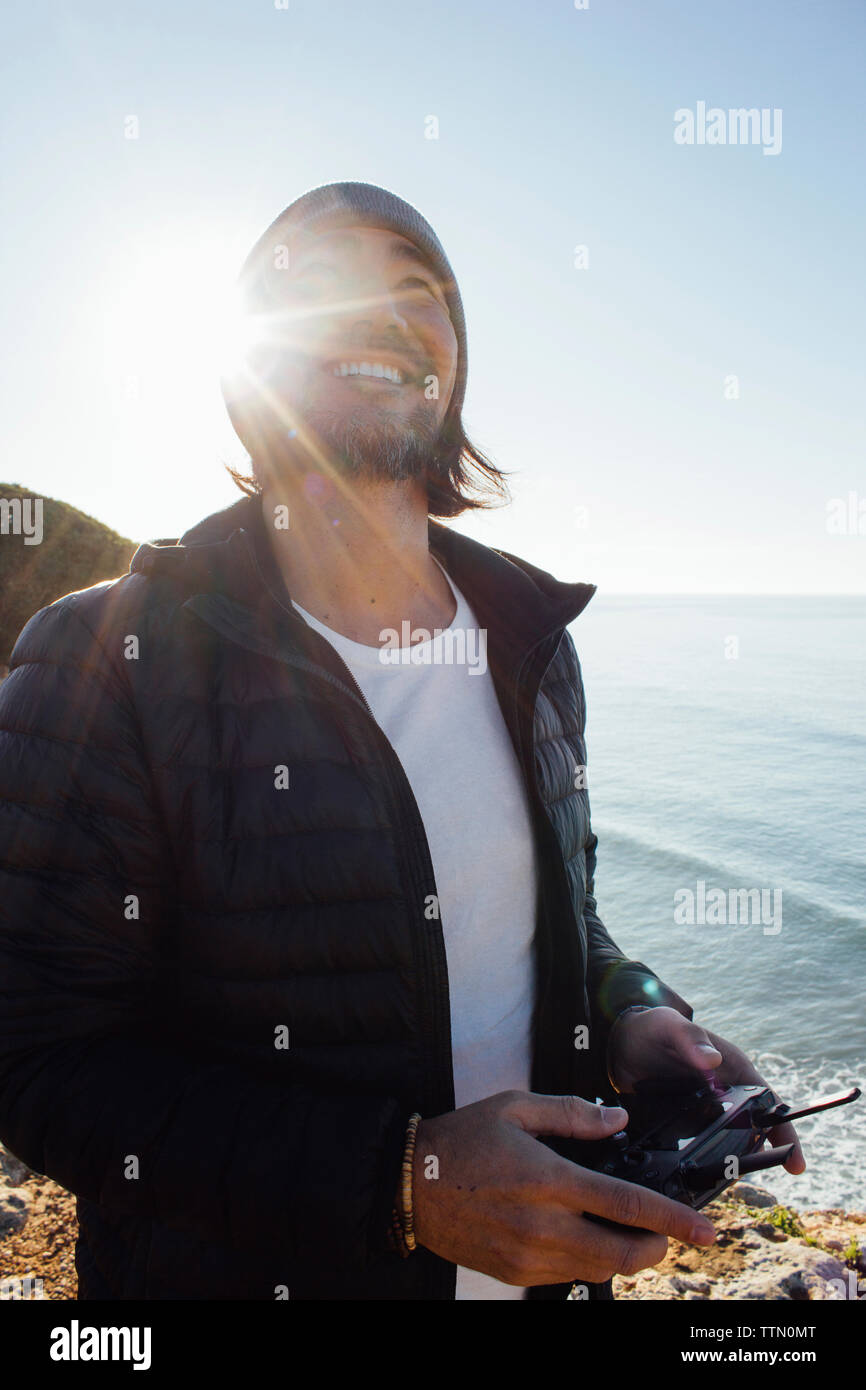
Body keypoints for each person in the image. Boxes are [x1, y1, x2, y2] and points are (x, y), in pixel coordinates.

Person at [0, 181, 803, 1301]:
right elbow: (39, 1058)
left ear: (452, 363)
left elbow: (555, 916)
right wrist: (400, 1183)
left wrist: (632, 1008)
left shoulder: (535, 645)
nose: (380, 314)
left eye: (417, 289)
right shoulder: (102, 657)